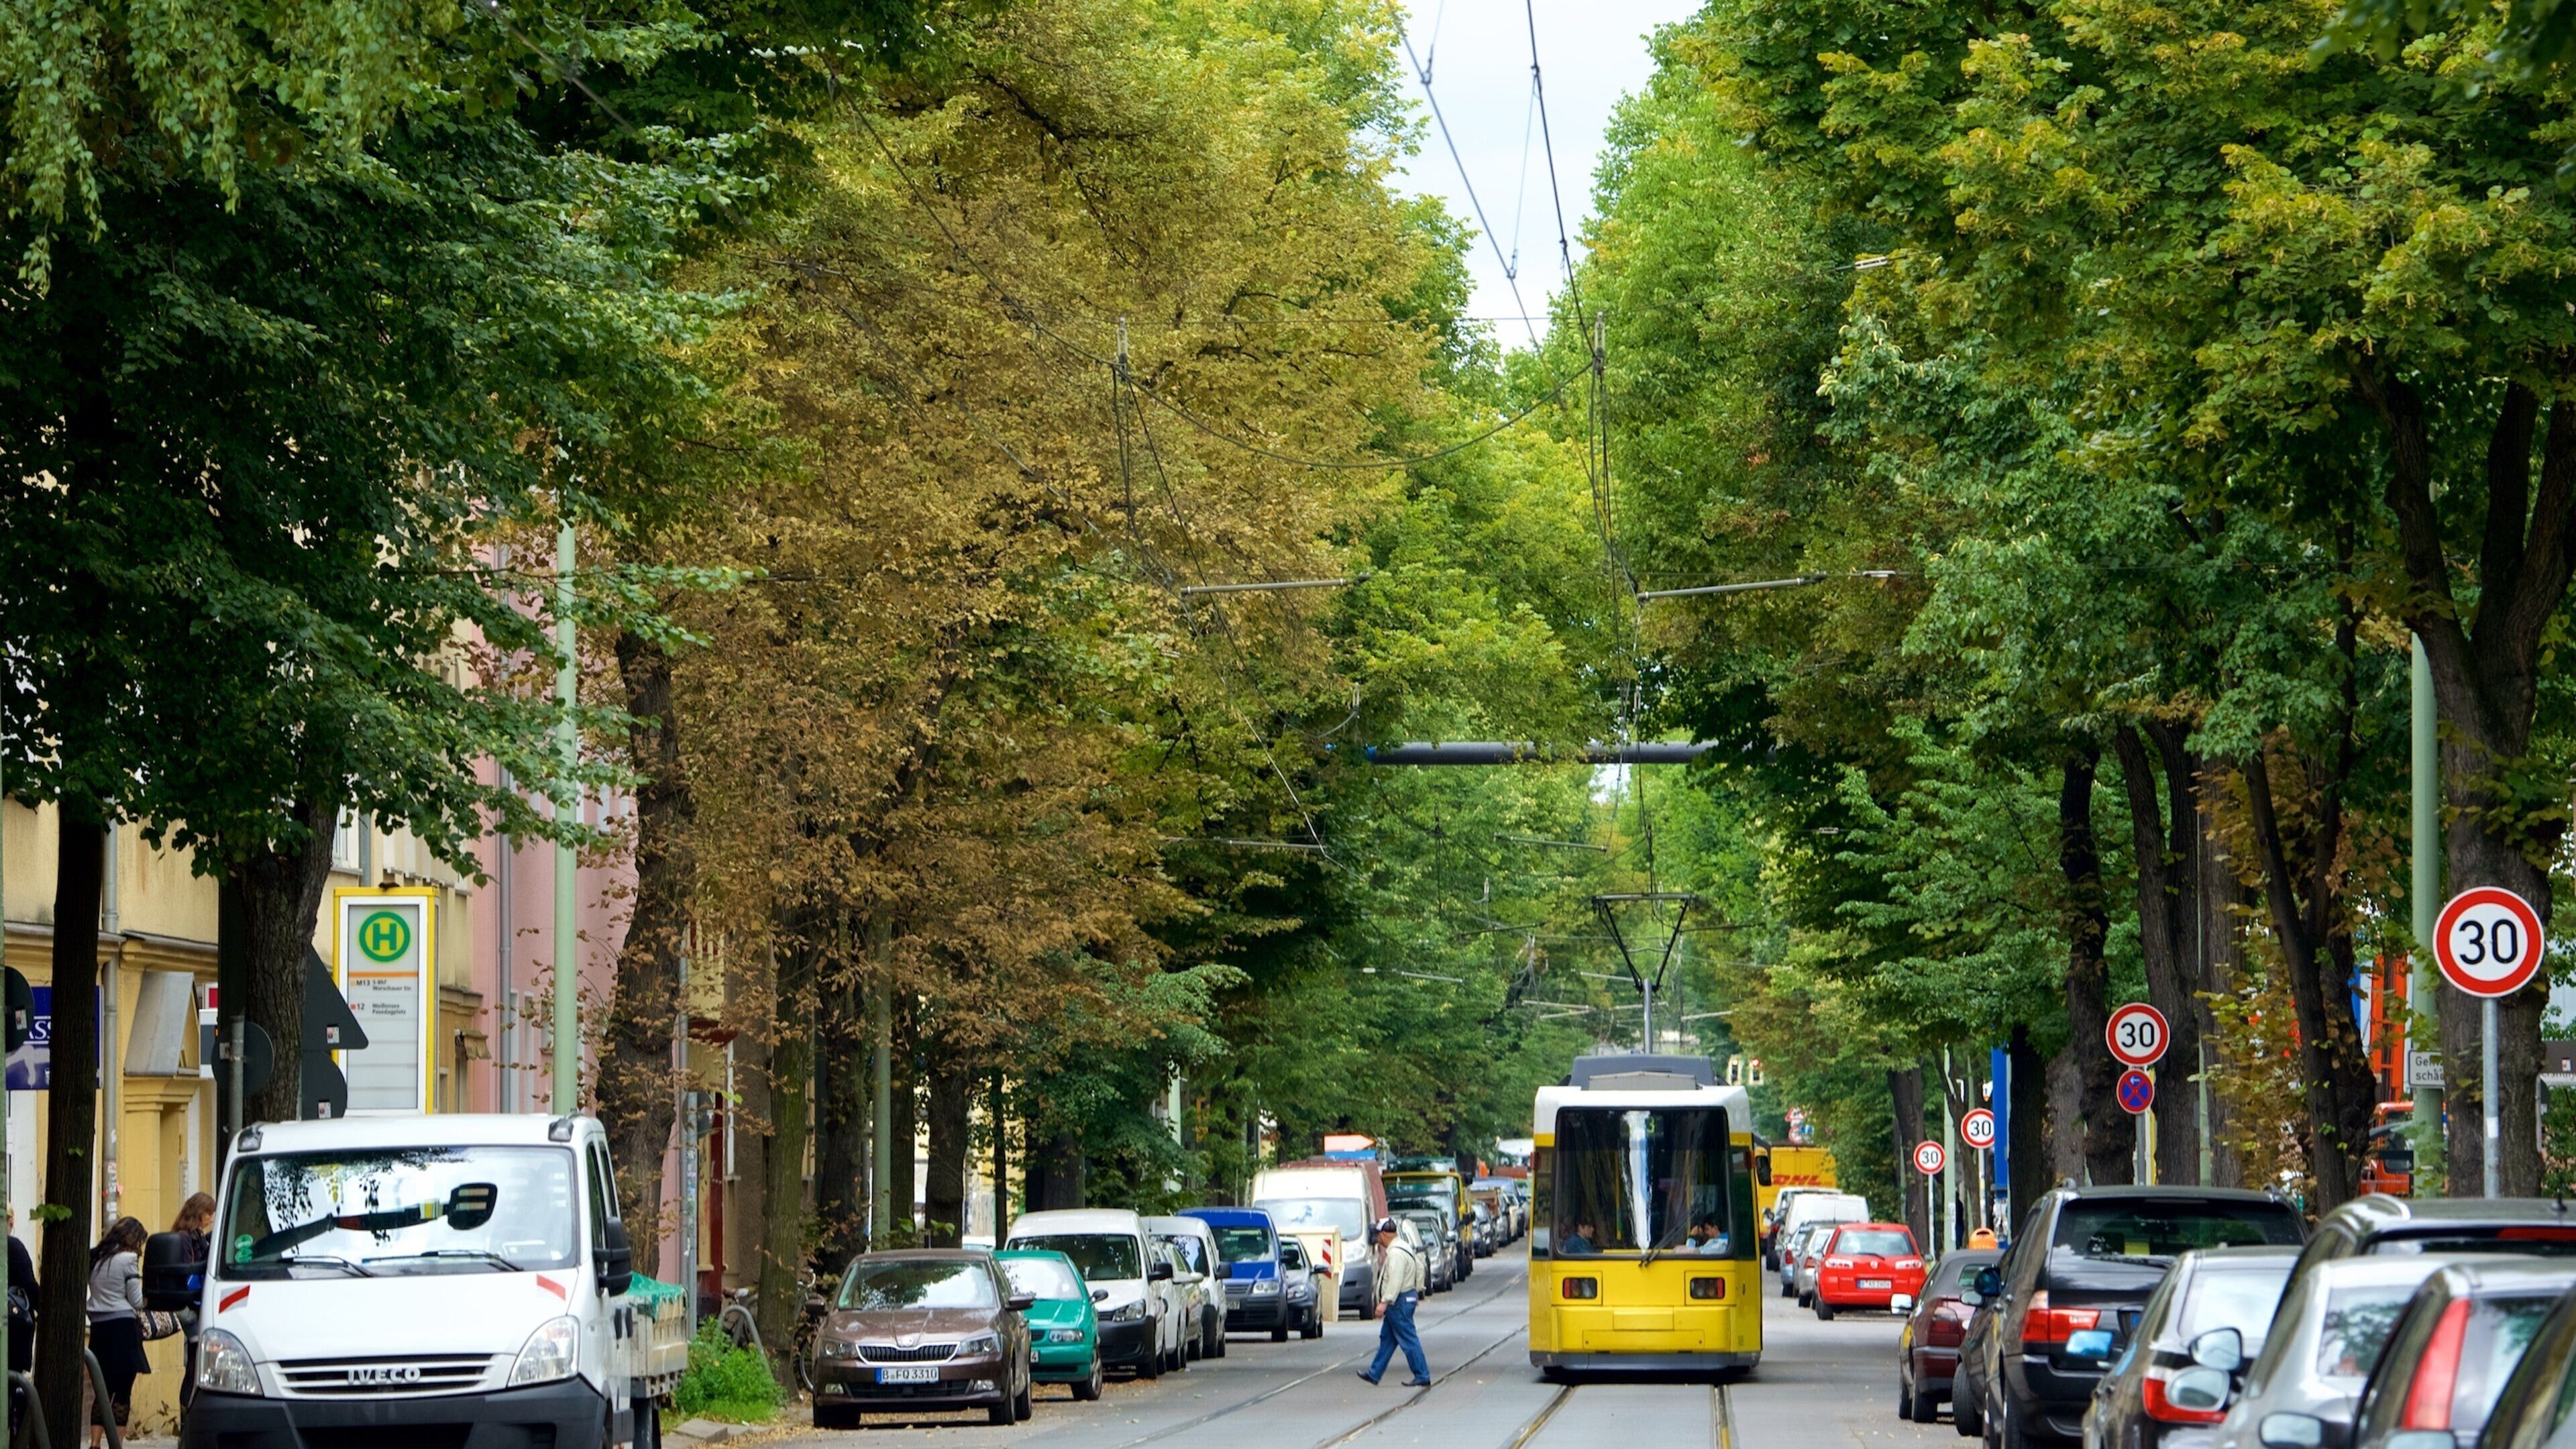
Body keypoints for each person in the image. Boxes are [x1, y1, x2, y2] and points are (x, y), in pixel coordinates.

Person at [86, 1217, 149, 1448]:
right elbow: (136, 1300)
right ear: (134, 1239)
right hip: (123, 1329)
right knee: (122, 1392)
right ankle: (116, 1445)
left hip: (99, 1329)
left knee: (103, 1391)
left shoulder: (95, 1257)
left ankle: (94, 1443)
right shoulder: (128, 1260)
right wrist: (149, 1299)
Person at [1354, 1218, 1430, 1388]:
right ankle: (1375, 1373)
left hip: (1399, 1301)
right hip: (1405, 1297)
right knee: (1388, 1339)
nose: (1377, 1239)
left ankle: (1422, 1374)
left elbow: (1395, 1280)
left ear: (1384, 1234)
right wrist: (1416, 1290)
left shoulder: (1395, 1254)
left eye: (1378, 1235)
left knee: (1408, 1339)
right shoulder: (1405, 1247)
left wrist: (1384, 1302)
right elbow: (1419, 1267)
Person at [173, 1194, 215, 1403]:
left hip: (197, 1302)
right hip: (192, 1304)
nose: (211, 1218)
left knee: (197, 1358)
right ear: (199, 1213)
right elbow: (188, 1272)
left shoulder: (197, 1236)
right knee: (195, 1359)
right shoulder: (186, 1239)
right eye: (209, 1213)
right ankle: (186, 1408)